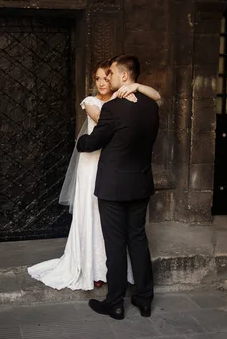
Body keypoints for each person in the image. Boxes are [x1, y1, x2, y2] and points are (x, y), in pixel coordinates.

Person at [27, 59, 160, 291]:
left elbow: (106, 130)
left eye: (107, 77)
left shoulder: (120, 105)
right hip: (105, 169)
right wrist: (125, 103)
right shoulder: (111, 104)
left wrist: (133, 92)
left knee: (115, 233)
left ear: (119, 78)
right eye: (97, 78)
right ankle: (97, 271)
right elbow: (106, 126)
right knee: (107, 223)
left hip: (113, 171)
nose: (102, 82)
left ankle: (113, 288)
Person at [77, 55, 159, 320]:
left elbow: (93, 143)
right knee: (138, 240)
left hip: (113, 186)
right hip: (141, 184)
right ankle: (144, 300)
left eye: (111, 73)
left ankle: (115, 303)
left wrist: (81, 143)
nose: (108, 78)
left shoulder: (113, 108)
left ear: (124, 76)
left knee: (115, 243)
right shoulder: (151, 106)